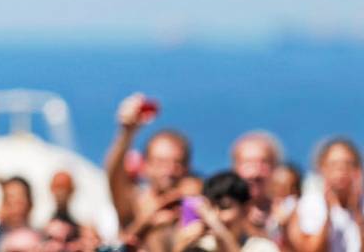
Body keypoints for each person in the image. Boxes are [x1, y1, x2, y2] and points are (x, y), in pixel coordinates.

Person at [105, 93, 191, 250]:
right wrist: (126, 133)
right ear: (145, 166)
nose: (169, 170)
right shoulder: (136, 203)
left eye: (177, 163)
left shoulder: (193, 206)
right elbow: (114, 177)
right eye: (161, 162)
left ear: (187, 167)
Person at [171, 171, 278, 252]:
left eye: (224, 207)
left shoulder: (263, 247)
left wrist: (220, 232)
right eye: (210, 208)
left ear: (245, 208)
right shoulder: (200, 246)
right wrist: (180, 246)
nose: (215, 216)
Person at [288, 138, 364, 252]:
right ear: (322, 168)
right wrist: (327, 215)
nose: (341, 170)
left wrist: (358, 214)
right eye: (334, 164)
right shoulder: (308, 205)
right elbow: (310, 249)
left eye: (348, 164)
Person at [231, 131, 283, 238]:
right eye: (248, 163)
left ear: (275, 167)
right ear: (235, 168)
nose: (255, 173)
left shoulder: (288, 212)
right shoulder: (222, 214)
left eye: (263, 162)